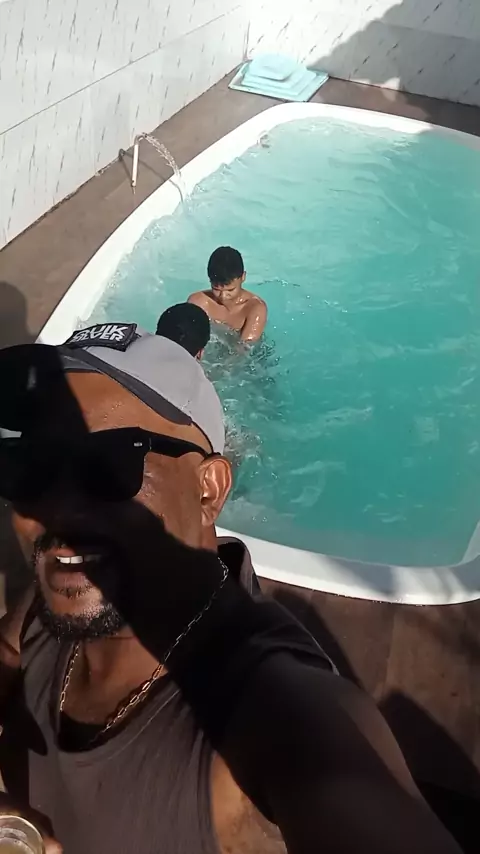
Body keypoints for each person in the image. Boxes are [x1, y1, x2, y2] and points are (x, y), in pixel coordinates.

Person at [0, 324, 460, 854]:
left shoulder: (279, 713)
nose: (53, 509)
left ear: (209, 488)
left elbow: (338, 777)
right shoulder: (70, 582)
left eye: (106, 465)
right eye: (29, 466)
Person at [188, 247, 267, 342]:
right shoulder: (199, 302)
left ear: (243, 277)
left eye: (230, 290)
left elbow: (245, 348)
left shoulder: (254, 308)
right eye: (216, 289)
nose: (223, 296)